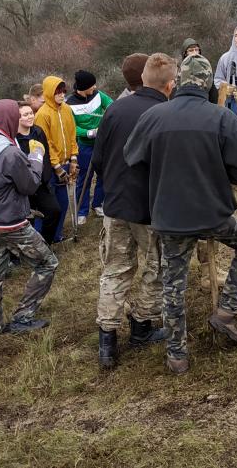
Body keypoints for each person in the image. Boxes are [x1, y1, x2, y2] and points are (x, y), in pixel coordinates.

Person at [124, 55, 237, 375]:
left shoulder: (153, 116)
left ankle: (177, 356)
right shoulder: (222, 118)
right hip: (213, 212)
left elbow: (132, 157)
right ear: (206, 84)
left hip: (169, 216)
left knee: (174, 282)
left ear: (180, 81)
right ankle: (226, 312)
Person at [90, 52, 170, 369]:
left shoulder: (115, 109)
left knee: (115, 270)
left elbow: (97, 160)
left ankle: (106, 342)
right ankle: (141, 327)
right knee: (155, 268)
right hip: (149, 208)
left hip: (115, 205)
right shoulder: (164, 112)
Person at [0, 100, 60, 335]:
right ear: (9, 119)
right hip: (11, 223)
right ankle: (24, 316)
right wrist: (37, 157)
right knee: (47, 263)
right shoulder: (9, 152)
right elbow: (29, 185)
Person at [34, 76, 79, 242]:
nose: (61, 95)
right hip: (51, 168)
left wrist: (74, 158)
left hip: (67, 163)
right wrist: (57, 167)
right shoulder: (42, 114)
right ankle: (40, 241)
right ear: (49, 93)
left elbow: (72, 134)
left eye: (63, 91)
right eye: (57, 92)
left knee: (63, 204)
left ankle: (56, 236)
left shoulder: (67, 109)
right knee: (48, 207)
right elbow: (47, 143)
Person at [66, 70, 113, 224]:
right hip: (84, 146)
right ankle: (82, 211)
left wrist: (107, 122)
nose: (94, 87)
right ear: (83, 87)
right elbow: (72, 128)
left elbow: (112, 107)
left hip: (102, 144)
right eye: (91, 85)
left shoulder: (99, 95)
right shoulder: (69, 104)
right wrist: (90, 132)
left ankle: (98, 204)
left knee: (103, 175)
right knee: (84, 178)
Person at [15, 100, 61, 246]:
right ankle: (25, 250)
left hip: (41, 183)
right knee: (26, 220)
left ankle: (45, 244)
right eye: (25, 114)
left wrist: (45, 177)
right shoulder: (13, 138)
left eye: (31, 113)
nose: (30, 117)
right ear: (17, 118)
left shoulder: (38, 131)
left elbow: (45, 156)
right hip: (23, 187)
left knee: (54, 211)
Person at [179, 38, 219, 105]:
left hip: (204, 104)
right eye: (191, 50)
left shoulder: (206, 68)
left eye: (196, 50)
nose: (194, 52)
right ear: (185, 53)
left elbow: (213, 93)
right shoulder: (181, 72)